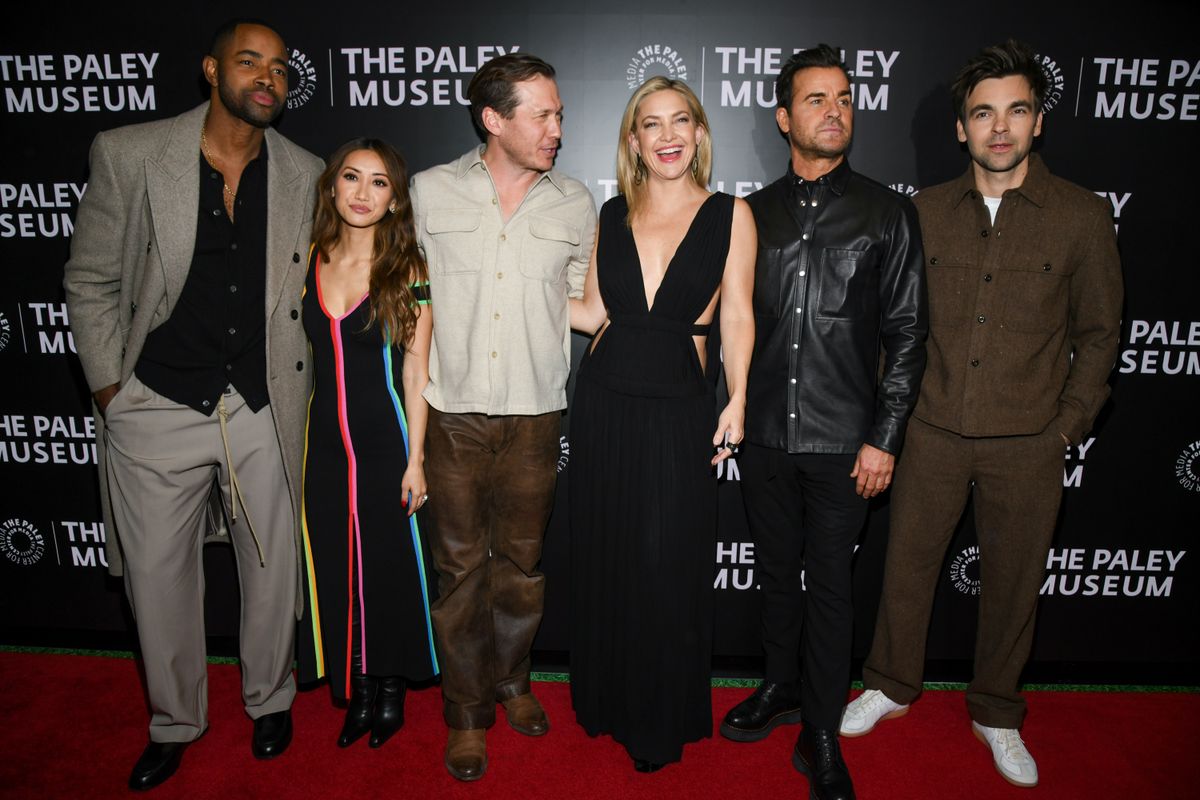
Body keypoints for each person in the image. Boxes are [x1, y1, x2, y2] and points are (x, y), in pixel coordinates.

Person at [839, 40, 1123, 789]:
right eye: (983, 114)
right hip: (930, 430)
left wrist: (1067, 426)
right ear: (960, 129)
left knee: (1014, 582)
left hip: (1030, 439)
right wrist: (890, 424)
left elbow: (1100, 335)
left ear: (1038, 123)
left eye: (1016, 111)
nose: (1000, 128)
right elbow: (894, 327)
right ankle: (892, 684)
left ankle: (997, 711)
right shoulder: (922, 212)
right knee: (905, 567)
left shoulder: (1083, 217)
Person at [62, 18, 322, 791]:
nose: (267, 78)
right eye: (250, 63)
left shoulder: (305, 171)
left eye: (278, 68)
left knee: (272, 567)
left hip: (260, 404)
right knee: (158, 577)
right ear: (213, 71)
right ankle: (176, 720)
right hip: (156, 401)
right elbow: (89, 280)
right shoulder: (132, 153)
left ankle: (271, 698)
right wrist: (114, 392)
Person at [718, 44, 927, 800]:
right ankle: (781, 688)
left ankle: (823, 732)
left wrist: (885, 436)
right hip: (766, 434)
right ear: (783, 116)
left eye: (843, 97)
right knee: (776, 574)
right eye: (816, 99)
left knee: (831, 587)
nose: (834, 110)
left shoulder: (887, 211)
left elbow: (907, 335)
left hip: (847, 443)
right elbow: (731, 320)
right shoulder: (750, 213)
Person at [408, 53, 597, 781]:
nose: (556, 128)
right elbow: (411, 299)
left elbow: (584, 304)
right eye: (541, 114)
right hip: (452, 415)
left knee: (520, 565)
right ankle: (466, 712)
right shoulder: (428, 193)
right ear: (494, 119)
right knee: (457, 570)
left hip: (536, 416)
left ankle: (513, 680)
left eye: (558, 114)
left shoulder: (574, 203)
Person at [568, 77, 755, 772]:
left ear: (700, 135)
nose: (669, 134)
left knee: (665, 561)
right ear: (633, 141)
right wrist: (503, 285)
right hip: (605, 397)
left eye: (682, 121)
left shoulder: (731, 215)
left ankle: (658, 715)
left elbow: (736, 312)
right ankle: (607, 700)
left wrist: (735, 397)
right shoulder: (611, 212)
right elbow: (590, 313)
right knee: (610, 552)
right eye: (653, 124)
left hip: (681, 401)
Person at [294, 139, 438, 750]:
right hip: (322, 444)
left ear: (395, 198)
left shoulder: (410, 269)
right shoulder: (308, 258)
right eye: (351, 177)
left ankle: (389, 687)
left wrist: (416, 458)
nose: (362, 192)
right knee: (334, 562)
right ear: (332, 186)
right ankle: (354, 686)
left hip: (386, 442)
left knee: (388, 567)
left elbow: (416, 370)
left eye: (378, 183)